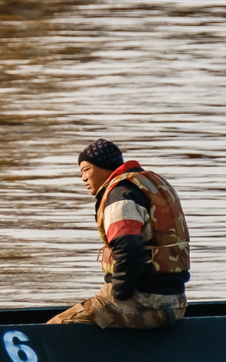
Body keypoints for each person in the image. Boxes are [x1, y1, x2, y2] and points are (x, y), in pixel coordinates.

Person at [49, 139, 191, 330]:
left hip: (144, 303)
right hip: (175, 302)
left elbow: (129, 250)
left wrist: (119, 294)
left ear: (103, 167)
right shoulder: (150, 184)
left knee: (57, 326)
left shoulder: (120, 195)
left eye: (86, 169)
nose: (83, 178)